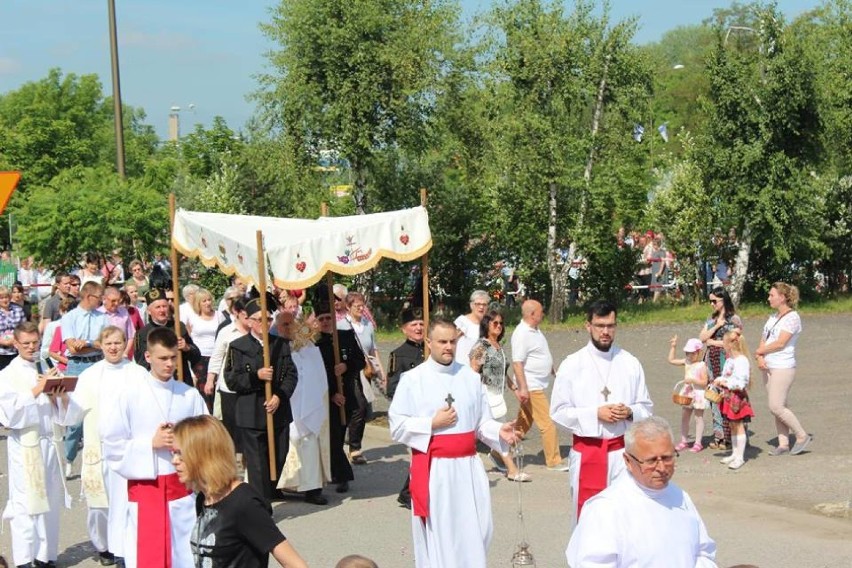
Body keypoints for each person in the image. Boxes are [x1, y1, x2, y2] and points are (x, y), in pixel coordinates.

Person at [389, 318, 518, 568]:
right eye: (442, 342)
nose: (448, 347)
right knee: (444, 535)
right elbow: (397, 426)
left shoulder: (470, 378)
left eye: (452, 341)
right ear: (428, 342)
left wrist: (499, 431)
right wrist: (430, 424)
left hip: (469, 468)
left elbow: (481, 423)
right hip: (436, 470)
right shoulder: (412, 380)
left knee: (478, 529)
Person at [100, 326, 208, 568]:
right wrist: (150, 443)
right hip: (146, 488)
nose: (169, 364)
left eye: (173, 358)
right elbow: (112, 444)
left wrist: (185, 443)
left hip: (181, 489)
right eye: (162, 358)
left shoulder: (188, 395)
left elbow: (207, 438)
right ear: (148, 357)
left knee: (183, 555)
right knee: (148, 556)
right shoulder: (129, 395)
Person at [550, 299, 654, 522]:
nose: (605, 332)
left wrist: (629, 412)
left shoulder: (630, 363)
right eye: (600, 326)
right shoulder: (572, 364)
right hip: (588, 451)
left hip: (623, 454)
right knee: (590, 519)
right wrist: (595, 414)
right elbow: (558, 411)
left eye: (610, 326)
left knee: (625, 517)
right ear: (588, 326)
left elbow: (646, 408)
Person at [565, 416, 718, 567]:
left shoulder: (680, 497)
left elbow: (704, 553)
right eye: (651, 461)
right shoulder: (605, 509)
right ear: (627, 461)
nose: (661, 468)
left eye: (667, 458)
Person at [172, 415, 308, 568]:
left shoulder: (243, 502)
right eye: (174, 453)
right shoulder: (204, 499)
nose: (174, 460)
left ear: (203, 454)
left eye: (180, 454)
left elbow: (296, 564)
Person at [0, 321, 83, 568]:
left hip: (50, 443)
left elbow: (67, 414)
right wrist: (39, 387)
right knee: (26, 503)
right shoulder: (7, 375)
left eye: (35, 342)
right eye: (25, 344)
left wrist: (60, 395)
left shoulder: (47, 365)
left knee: (51, 500)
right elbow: (9, 414)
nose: (31, 347)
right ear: (15, 344)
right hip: (26, 446)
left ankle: (45, 556)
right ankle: (25, 558)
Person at [72, 326, 148, 566]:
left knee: (127, 500)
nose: (114, 348)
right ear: (101, 345)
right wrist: (61, 399)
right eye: (109, 343)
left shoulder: (138, 374)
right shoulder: (90, 375)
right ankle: (104, 545)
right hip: (100, 449)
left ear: (125, 343)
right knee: (100, 503)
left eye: (118, 342)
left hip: (128, 448)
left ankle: (126, 546)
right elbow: (74, 411)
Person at [224, 298, 298, 502]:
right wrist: (256, 375)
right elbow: (231, 380)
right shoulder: (238, 347)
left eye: (267, 319)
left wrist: (279, 396)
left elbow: (291, 374)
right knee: (257, 465)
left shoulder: (280, 345)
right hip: (252, 413)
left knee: (279, 457)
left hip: (278, 411)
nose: (263, 324)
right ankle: (261, 507)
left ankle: (270, 491)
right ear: (248, 321)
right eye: (258, 320)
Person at [276, 310, 331, 505]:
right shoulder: (274, 347)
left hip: (306, 402)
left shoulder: (309, 348)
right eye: (283, 325)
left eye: (291, 325)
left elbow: (318, 376)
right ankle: (282, 485)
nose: (287, 329)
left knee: (308, 442)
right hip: (284, 402)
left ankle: (311, 488)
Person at [754, 282, 812, 456]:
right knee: (780, 406)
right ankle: (783, 443)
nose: (769, 298)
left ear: (783, 297)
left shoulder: (792, 317)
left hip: (783, 366)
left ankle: (801, 435)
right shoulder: (772, 317)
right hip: (769, 366)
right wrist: (760, 357)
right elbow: (764, 338)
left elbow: (781, 342)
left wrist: (760, 351)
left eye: (772, 295)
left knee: (776, 406)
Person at [315, 298, 365, 494]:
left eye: (329, 317)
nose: (326, 321)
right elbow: (316, 373)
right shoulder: (314, 342)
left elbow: (359, 361)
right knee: (329, 438)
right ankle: (337, 471)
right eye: (322, 318)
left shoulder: (345, 337)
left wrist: (346, 365)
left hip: (346, 395)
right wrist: (331, 393)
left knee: (336, 437)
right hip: (324, 396)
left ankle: (342, 475)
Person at [470, 310, 527, 481]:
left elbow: (503, 372)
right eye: (495, 323)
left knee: (494, 431)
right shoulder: (481, 346)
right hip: (485, 395)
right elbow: (472, 371)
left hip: (497, 396)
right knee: (498, 432)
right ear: (486, 324)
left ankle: (495, 458)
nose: (499, 326)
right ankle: (512, 470)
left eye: (501, 323)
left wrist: (515, 389)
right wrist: (474, 395)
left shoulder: (498, 346)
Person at [511, 299, 568, 471]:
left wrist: (552, 370)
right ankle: (554, 460)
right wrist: (523, 388)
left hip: (536, 384)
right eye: (540, 311)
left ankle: (499, 451)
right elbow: (517, 363)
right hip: (531, 386)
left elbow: (540, 354)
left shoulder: (535, 330)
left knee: (523, 424)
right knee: (547, 423)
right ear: (531, 314)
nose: (543, 314)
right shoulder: (521, 334)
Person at [60, 280, 107, 478]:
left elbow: (105, 342)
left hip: (97, 362)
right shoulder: (70, 318)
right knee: (76, 415)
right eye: (99, 298)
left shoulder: (102, 318)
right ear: (89, 297)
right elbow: (71, 348)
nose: (101, 301)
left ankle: (99, 458)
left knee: (100, 411)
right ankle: (69, 457)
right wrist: (91, 344)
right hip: (77, 365)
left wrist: (87, 343)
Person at [337, 291, 383, 465]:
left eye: (362, 306)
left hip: (365, 371)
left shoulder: (367, 325)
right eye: (357, 306)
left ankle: (355, 446)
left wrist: (380, 371)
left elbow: (373, 350)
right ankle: (349, 446)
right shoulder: (341, 325)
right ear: (348, 307)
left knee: (361, 408)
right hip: (349, 372)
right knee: (356, 407)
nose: (361, 309)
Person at [698, 287, 743, 451]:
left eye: (714, 301)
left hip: (729, 362)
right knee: (714, 398)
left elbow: (734, 341)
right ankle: (720, 436)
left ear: (723, 300)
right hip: (712, 362)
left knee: (730, 397)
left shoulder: (734, 319)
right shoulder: (712, 319)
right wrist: (716, 327)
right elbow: (702, 338)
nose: (711, 304)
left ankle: (733, 436)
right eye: (710, 301)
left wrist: (713, 342)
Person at [133, 287, 201, 387]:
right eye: (158, 307)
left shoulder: (179, 327)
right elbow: (142, 364)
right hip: (157, 384)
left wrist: (186, 347)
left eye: (164, 306)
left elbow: (196, 356)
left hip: (181, 381)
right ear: (149, 311)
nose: (162, 310)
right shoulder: (142, 334)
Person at [712, 329, 755, 470]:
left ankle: (740, 457)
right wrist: (719, 379)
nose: (722, 345)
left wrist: (725, 383)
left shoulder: (741, 361)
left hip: (736, 396)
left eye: (724, 343)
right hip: (728, 396)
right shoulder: (730, 360)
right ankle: (735, 453)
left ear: (730, 344)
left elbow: (741, 383)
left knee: (738, 425)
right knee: (732, 425)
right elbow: (727, 376)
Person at [667, 336, 709, 453]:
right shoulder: (687, 362)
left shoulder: (702, 365)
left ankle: (698, 442)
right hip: (687, 393)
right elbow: (671, 360)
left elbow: (705, 382)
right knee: (685, 417)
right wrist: (673, 346)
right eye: (687, 353)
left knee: (698, 417)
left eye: (691, 353)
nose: (688, 356)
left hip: (698, 393)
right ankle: (684, 440)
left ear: (698, 352)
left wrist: (693, 381)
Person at [187, 287, 224, 412]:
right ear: (198, 303)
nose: (208, 303)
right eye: (204, 301)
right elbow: (189, 338)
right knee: (204, 390)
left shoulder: (219, 315)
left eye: (209, 300)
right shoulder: (192, 318)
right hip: (200, 358)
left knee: (217, 388)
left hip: (217, 356)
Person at [98, 286, 136, 359]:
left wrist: (125, 353)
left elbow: (131, 335)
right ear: (104, 299)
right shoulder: (96, 314)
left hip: (122, 356)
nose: (116, 303)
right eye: (113, 301)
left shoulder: (124, 312)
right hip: (102, 357)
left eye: (118, 301)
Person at [453, 290, 489, 364]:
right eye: (478, 304)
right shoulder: (462, 321)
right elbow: (450, 341)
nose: (481, 307)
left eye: (484, 304)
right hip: (462, 368)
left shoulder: (487, 324)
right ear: (471, 305)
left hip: (480, 369)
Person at [0, 285, 27, 370]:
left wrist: (15, 340)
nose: (5, 300)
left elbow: (24, 328)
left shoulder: (18, 309)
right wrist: (3, 342)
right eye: (1, 298)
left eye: (6, 297)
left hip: (17, 351)